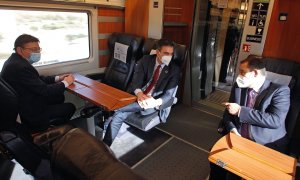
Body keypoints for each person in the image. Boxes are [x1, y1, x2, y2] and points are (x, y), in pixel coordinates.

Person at [210, 55, 290, 179]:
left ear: (255, 73)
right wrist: (233, 130)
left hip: (264, 145)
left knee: (246, 172)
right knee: (217, 161)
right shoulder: (238, 86)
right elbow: (227, 112)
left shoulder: (280, 91)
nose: (239, 76)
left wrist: (240, 111)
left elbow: (275, 120)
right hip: (238, 138)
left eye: (242, 72)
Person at [103, 39, 180, 146]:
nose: (169, 57)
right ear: (158, 52)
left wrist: (155, 102)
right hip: (136, 96)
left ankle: (105, 143)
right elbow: (135, 81)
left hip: (152, 102)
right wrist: (139, 94)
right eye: (166, 53)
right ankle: (105, 145)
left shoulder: (174, 69)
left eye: (171, 54)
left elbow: (168, 95)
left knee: (118, 111)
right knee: (119, 113)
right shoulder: (146, 60)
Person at [1, 34, 76, 133]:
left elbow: (35, 79)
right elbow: (45, 91)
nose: (37, 52)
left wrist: (57, 78)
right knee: (70, 107)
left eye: (38, 49)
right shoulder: (20, 67)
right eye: (33, 49)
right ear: (20, 50)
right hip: (29, 112)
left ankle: (51, 124)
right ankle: (49, 131)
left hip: (26, 100)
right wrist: (66, 82)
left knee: (59, 97)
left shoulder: (14, 61)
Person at [219, 18, 239, 83]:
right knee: (225, 63)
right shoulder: (234, 29)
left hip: (224, 47)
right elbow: (236, 39)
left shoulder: (226, 28)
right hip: (227, 47)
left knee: (222, 62)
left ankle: (220, 77)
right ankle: (221, 78)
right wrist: (235, 47)